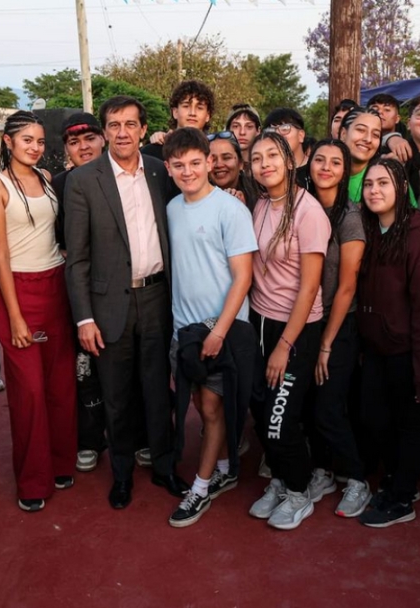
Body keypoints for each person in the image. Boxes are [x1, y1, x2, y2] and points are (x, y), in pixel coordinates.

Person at [65, 95, 190, 510]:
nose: (122, 132)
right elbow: (77, 259)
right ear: (105, 132)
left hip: (157, 296)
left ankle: (164, 466)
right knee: (116, 396)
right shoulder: (84, 180)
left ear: (143, 129)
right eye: (114, 125)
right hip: (107, 306)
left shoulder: (159, 171)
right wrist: (84, 318)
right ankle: (121, 475)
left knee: (157, 390)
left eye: (130, 124)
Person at [162, 128, 257, 527]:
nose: (188, 171)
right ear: (168, 168)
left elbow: (243, 277)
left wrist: (219, 331)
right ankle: (224, 467)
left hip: (222, 330)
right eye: (179, 165)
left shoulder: (231, 210)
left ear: (208, 162)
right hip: (183, 331)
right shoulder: (171, 208)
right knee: (201, 406)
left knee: (213, 408)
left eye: (195, 163)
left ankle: (199, 489)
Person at [0, 111, 77, 512]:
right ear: (8, 142)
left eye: (40, 141)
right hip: (18, 290)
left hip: (55, 285)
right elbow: (1, 255)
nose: (36, 148)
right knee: (29, 392)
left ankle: (61, 463)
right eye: (27, 140)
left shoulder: (46, 178)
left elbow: (51, 234)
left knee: (60, 385)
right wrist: (15, 314)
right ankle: (33, 480)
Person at [246, 130, 330, 531]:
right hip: (259, 321)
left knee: (279, 422)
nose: (265, 164)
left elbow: (310, 287)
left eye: (273, 155)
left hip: (295, 329)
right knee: (262, 412)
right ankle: (281, 480)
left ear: (290, 160)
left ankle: (300, 491)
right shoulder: (261, 204)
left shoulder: (308, 211)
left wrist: (284, 345)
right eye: (256, 158)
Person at [355, 158, 420, 528]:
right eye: (369, 184)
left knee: (410, 424)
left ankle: (403, 497)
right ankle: (396, 479)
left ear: (401, 188)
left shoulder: (419, 237)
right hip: (377, 348)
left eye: (383, 183)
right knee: (376, 418)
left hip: (409, 351)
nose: (374, 190)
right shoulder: (370, 229)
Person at [304, 139, 371, 518]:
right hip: (307, 319)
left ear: (345, 171)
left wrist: (328, 341)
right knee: (310, 404)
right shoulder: (303, 206)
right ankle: (323, 470)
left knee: (329, 406)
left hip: (339, 324)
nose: (326, 167)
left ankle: (357, 478)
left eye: (335, 162)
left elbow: (347, 285)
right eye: (320, 160)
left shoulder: (350, 216)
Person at [51, 111, 108, 474]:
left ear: (103, 139)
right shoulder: (56, 186)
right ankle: (89, 439)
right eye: (74, 142)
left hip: (120, 290)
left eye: (90, 138)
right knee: (83, 369)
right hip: (76, 289)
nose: (83, 147)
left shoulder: (124, 177)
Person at [142, 80, 215, 160]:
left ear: (208, 115)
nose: (192, 113)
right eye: (186, 106)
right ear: (175, 112)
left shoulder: (215, 152)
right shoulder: (150, 153)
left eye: (199, 108)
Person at [337, 107, 382, 204]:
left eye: (375, 135)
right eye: (361, 130)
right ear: (343, 134)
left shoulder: (388, 176)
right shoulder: (325, 172)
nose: (368, 139)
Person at [263, 108, 311, 192]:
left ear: (301, 135)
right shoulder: (266, 171)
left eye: (285, 129)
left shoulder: (316, 169)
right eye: (271, 131)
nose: (278, 135)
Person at [208, 130, 258, 207]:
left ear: (240, 163)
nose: (219, 165)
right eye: (213, 159)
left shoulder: (260, 196)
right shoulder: (196, 198)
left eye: (226, 158)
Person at [225, 103, 262, 170]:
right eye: (236, 126)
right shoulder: (219, 166)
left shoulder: (264, 165)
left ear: (258, 131)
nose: (242, 132)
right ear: (228, 130)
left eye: (249, 127)